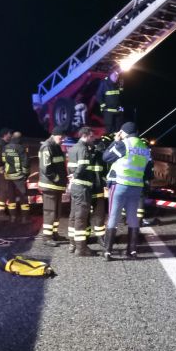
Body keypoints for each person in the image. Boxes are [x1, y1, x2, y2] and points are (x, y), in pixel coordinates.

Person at [102, 122, 152, 260]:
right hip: (136, 187)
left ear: (124, 132)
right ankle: (132, 251)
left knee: (114, 216)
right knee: (132, 218)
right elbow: (148, 171)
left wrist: (115, 141)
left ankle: (108, 251)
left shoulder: (125, 144)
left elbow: (106, 157)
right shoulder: (144, 148)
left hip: (120, 185)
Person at [67, 127, 97, 256]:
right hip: (82, 188)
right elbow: (83, 166)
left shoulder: (73, 148)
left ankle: (73, 243)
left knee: (73, 216)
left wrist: (72, 178)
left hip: (75, 188)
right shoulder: (83, 148)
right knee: (81, 218)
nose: (93, 138)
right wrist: (76, 176)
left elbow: (70, 167)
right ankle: (81, 248)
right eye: (92, 136)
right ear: (85, 135)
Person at [38, 126, 68, 247]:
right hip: (50, 185)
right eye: (61, 137)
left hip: (57, 186)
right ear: (55, 135)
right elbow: (46, 167)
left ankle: (54, 233)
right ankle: (47, 237)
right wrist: (57, 179)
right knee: (50, 211)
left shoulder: (56, 146)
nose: (63, 140)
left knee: (56, 212)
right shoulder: (47, 146)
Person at [3, 131, 30, 223]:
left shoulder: (5, 147)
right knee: (23, 198)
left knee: (11, 198)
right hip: (19, 177)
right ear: (19, 138)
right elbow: (25, 163)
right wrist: (26, 174)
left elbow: (3, 160)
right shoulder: (21, 148)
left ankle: (13, 217)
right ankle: (24, 218)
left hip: (8, 177)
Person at [96, 66, 124, 133]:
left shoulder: (118, 84)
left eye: (117, 76)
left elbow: (120, 97)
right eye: (115, 76)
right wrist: (103, 106)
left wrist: (121, 87)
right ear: (110, 75)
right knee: (109, 129)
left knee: (118, 129)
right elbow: (99, 95)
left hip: (118, 111)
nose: (116, 78)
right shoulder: (104, 83)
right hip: (108, 111)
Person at [0, 128, 13, 220]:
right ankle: (0, 213)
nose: (11, 135)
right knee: (4, 191)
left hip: (8, 171)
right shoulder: (0, 144)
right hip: (4, 172)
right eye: (10, 133)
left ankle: (5, 211)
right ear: (5, 134)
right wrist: (1, 170)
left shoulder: (6, 144)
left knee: (7, 191)